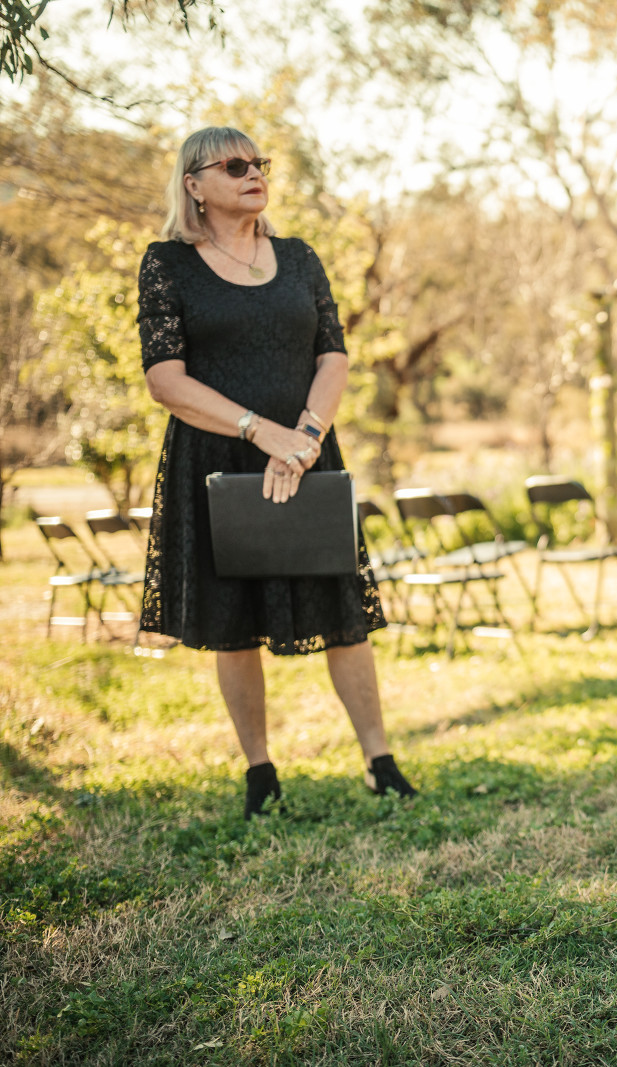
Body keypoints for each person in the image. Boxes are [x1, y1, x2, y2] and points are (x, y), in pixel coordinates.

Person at [137, 126, 417, 818]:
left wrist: (307, 437)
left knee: (344, 612)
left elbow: (334, 356)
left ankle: (380, 761)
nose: (253, 173)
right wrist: (260, 431)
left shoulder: (298, 258)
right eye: (234, 166)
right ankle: (260, 772)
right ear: (194, 186)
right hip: (219, 460)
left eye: (258, 163)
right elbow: (166, 380)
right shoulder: (167, 263)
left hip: (308, 455)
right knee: (232, 620)